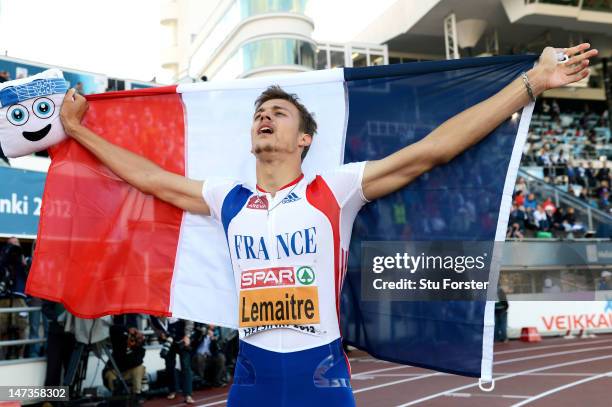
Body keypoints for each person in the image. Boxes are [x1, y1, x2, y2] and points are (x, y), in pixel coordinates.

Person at [58, 44, 596, 406]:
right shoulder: (229, 197)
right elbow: (151, 178)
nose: (264, 116)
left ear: (304, 139)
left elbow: (432, 151)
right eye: (259, 113)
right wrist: (79, 132)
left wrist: (532, 82)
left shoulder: (332, 190)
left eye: (279, 112)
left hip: (321, 373)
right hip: (252, 372)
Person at [152, 317, 194, 404]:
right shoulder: (152, 315)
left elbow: (189, 320)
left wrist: (187, 335)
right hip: (169, 340)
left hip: (182, 339)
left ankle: (188, 394)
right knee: (169, 365)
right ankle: (172, 390)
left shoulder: (175, 307)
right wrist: (160, 334)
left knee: (186, 366)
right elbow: (155, 328)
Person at [103, 325, 146, 396]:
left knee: (139, 368)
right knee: (110, 374)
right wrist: (128, 329)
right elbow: (113, 329)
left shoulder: (140, 350)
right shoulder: (119, 343)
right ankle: (115, 396)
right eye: (132, 336)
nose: (132, 339)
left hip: (127, 372)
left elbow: (135, 363)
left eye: (137, 339)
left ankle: (137, 394)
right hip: (115, 371)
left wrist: (131, 348)